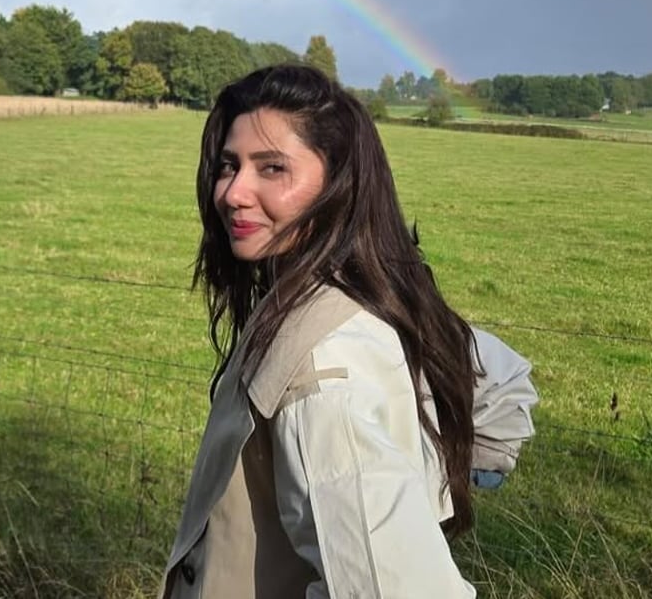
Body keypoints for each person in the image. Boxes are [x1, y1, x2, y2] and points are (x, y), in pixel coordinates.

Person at [160, 64, 537, 598]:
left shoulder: (325, 374)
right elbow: (493, 369)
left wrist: (467, 464)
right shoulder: (358, 295)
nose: (234, 192)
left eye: (271, 168)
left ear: (338, 184)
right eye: (229, 165)